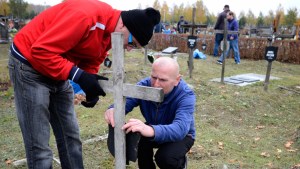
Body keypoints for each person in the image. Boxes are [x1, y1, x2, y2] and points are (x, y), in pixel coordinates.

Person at [7, 0, 160, 168]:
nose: (129, 49)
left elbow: (92, 60)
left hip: (56, 68)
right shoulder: (86, 16)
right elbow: (41, 51)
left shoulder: (109, 34)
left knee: (71, 138)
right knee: (40, 146)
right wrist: (78, 75)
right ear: (123, 25)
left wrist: (89, 86)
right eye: (132, 43)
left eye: (135, 47)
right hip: (29, 66)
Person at [105, 57, 196, 169]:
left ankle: (180, 165)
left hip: (182, 136)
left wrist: (151, 130)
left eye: (163, 80)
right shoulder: (145, 85)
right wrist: (113, 109)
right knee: (140, 145)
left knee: (165, 158)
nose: (156, 84)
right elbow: (127, 101)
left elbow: (180, 129)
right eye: (153, 77)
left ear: (177, 80)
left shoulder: (186, 95)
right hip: (155, 128)